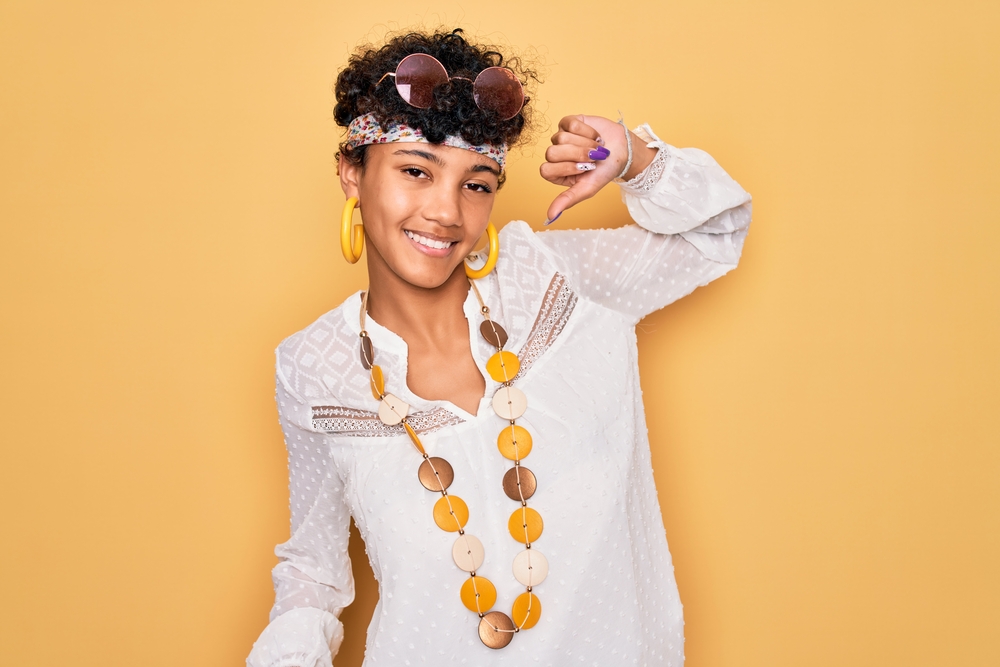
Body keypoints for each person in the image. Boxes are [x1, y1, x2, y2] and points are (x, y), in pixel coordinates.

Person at [247, 27, 751, 667]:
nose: (446, 212)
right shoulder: (311, 367)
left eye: (476, 183)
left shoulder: (555, 282)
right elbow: (314, 576)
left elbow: (718, 234)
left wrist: (635, 159)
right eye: (415, 172)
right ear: (352, 173)